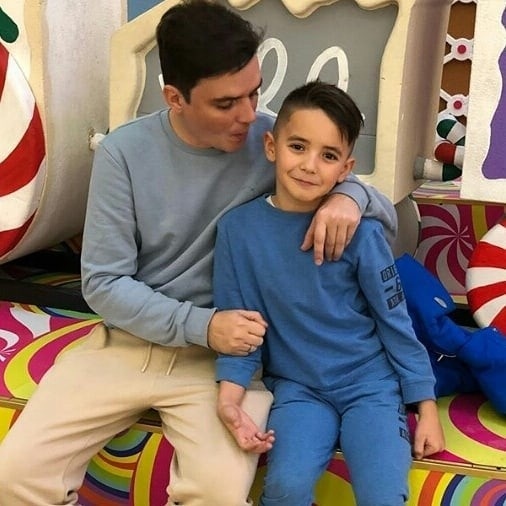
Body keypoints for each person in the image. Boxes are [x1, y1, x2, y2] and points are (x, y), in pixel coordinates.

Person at [0, 2, 397, 505]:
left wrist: (350, 197)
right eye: (226, 103)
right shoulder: (123, 153)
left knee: (218, 492)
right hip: (125, 346)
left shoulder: (275, 143)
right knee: (13, 473)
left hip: (224, 364)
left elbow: (390, 218)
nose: (248, 115)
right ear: (175, 97)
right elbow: (103, 282)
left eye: (254, 93)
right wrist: (202, 325)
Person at [214, 81, 445, 506]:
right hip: (298, 389)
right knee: (285, 488)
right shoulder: (237, 231)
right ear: (271, 147)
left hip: (371, 385)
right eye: (297, 147)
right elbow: (240, 330)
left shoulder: (362, 233)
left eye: (329, 155)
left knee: (383, 495)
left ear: (345, 168)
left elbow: (394, 321)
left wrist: (426, 408)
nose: (309, 165)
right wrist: (230, 400)